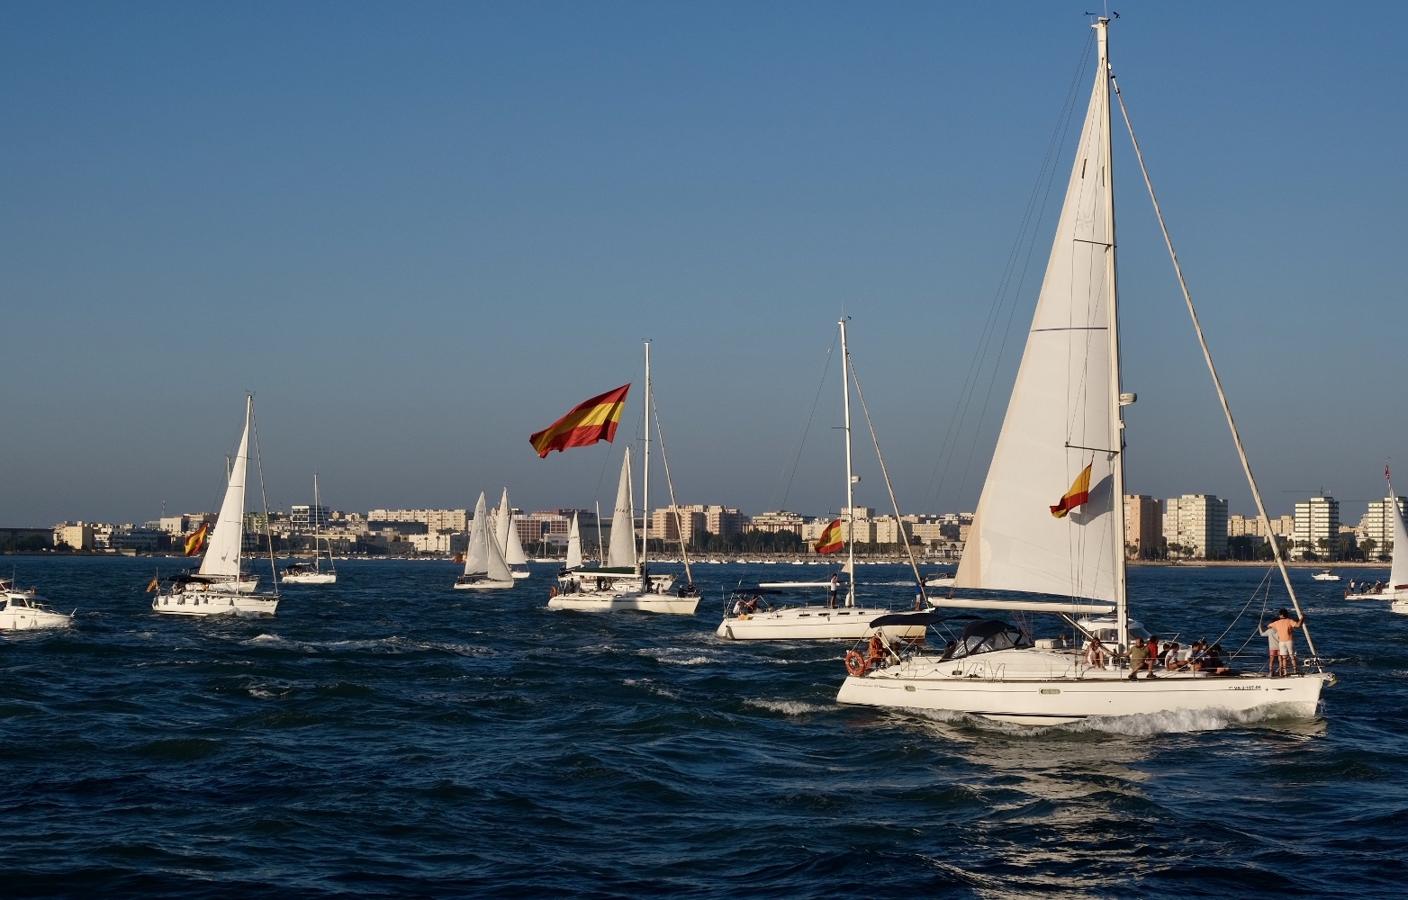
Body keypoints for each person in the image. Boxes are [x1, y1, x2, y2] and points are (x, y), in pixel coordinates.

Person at [1266, 608, 1306, 676]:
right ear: (1287, 614)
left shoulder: (1276, 623)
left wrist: (1277, 628)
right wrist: (1302, 618)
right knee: (1291, 656)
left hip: (1281, 642)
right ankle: (1295, 670)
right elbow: (1298, 625)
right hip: (1289, 641)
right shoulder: (1289, 621)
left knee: (1283, 658)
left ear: (1280, 615)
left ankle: (1285, 672)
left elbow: (1268, 626)